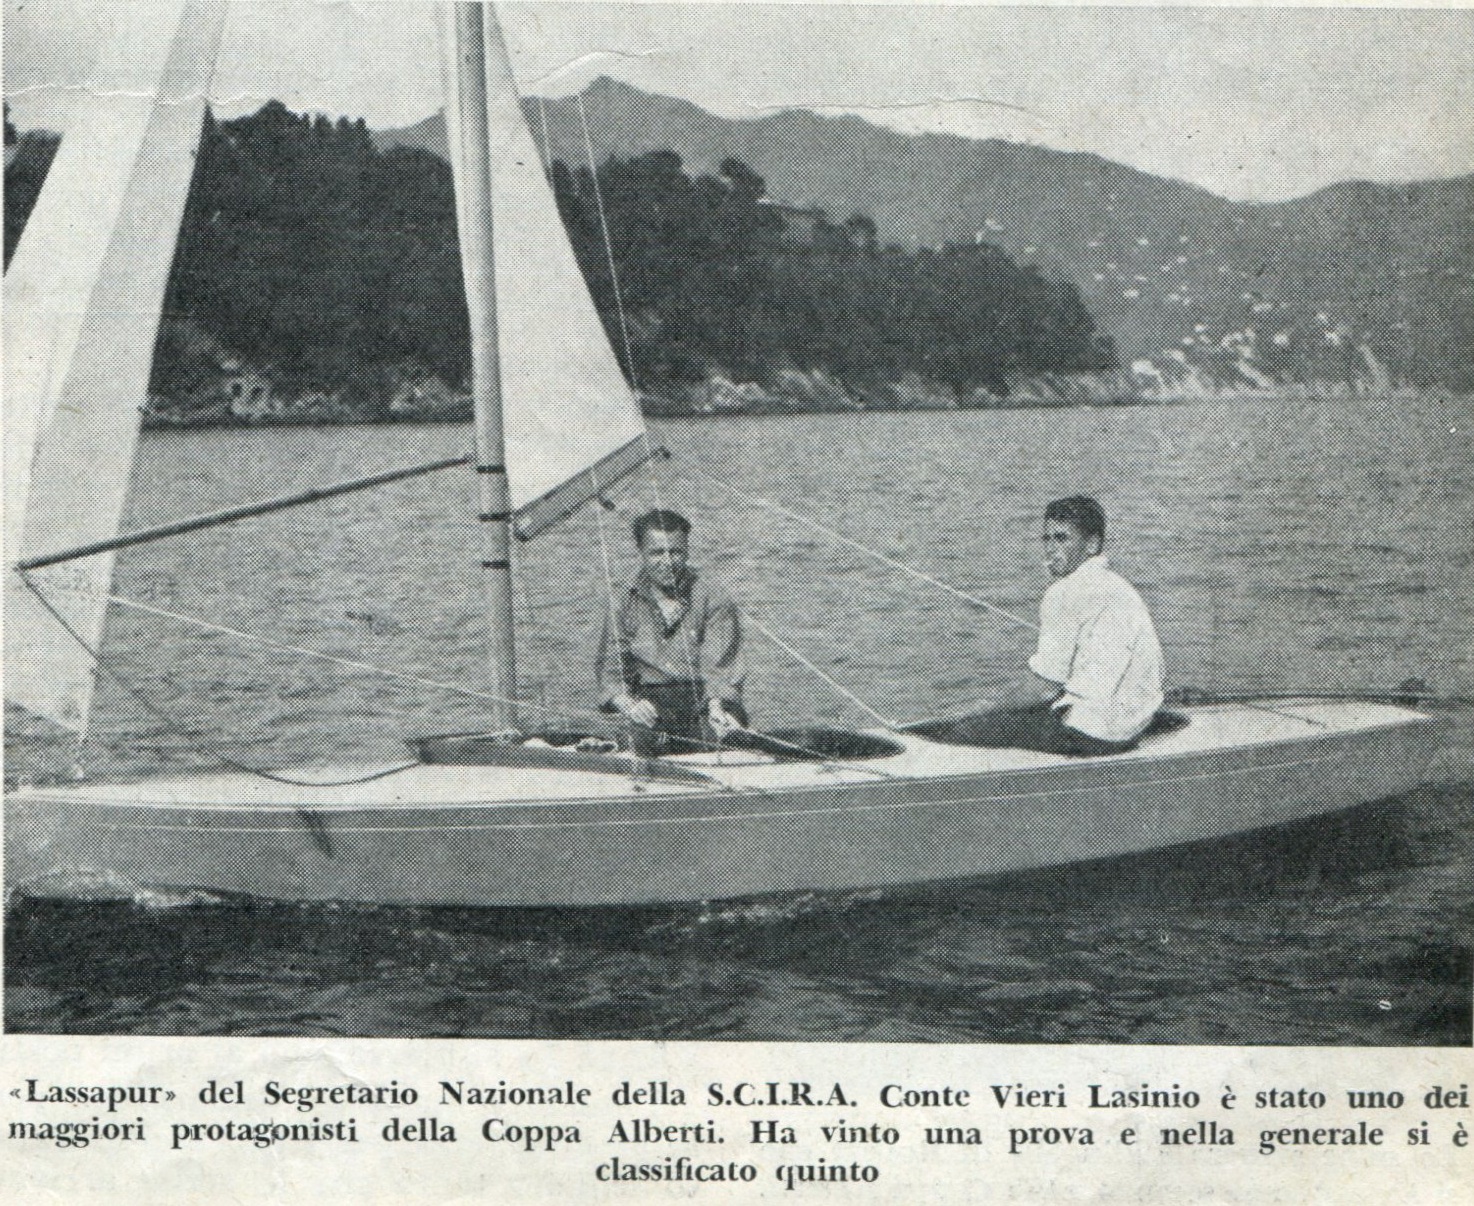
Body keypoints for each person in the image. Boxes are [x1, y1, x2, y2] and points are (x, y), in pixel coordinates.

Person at [935, 495, 1164, 756]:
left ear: (1092, 544)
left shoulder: (1063, 591)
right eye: (1047, 539)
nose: (1051, 549)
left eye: (1062, 538)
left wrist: (983, 707)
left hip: (1093, 734)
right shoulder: (1120, 586)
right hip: (1134, 725)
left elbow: (1044, 687)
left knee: (964, 731)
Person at [596, 509, 747, 757]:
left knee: (722, 738)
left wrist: (717, 707)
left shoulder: (713, 596)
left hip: (704, 699)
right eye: (657, 553)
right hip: (649, 701)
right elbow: (610, 672)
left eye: (676, 552)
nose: (667, 562)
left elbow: (721, 666)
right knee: (639, 740)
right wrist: (629, 705)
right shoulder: (622, 601)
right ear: (641, 552)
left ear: (687, 550)